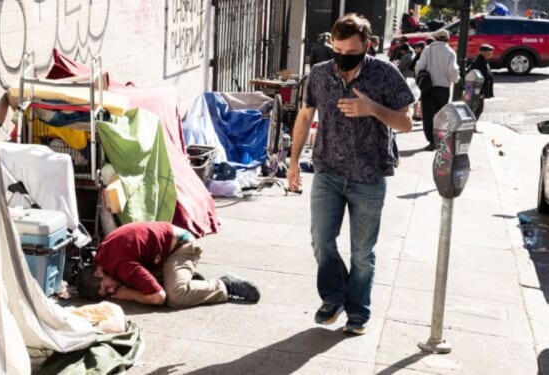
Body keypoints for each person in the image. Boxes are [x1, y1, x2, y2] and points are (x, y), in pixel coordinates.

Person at [286, 14, 414, 335]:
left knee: (362, 253)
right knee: (321, 241)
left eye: (351, 50)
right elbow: (304, 117)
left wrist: (374, 109)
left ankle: (358, 311)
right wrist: (292, 164)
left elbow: (407, 122)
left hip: (369, 176)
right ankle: (333, 297)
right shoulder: (318, 74)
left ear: (367, 46)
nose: (342, 56)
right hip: (327, 171)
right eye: (337, 49)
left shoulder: (385, 74)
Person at [75, 222, 260, 308]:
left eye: (107, 288)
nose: (112, 292)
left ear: (99, 272)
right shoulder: (103, 260)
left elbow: (158, 297)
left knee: (175, 296)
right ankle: (185, 280)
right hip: (160, 254)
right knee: (137, 286)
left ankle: (224, 285)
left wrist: (128, 295)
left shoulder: (120, 263)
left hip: (182, 247)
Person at [415, 29, 459, 151]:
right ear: (447, 39)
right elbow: (453, 70)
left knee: (428, 115)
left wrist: (421, 76)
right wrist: (454, 80)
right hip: (443, 87)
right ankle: (440, 140)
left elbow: (419, 66)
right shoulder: (450, 52)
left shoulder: (427, 50)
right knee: (442, 115)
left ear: (435, 38)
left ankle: (431, 141)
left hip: (428, 87)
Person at [467, 44, 495, 121]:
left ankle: (473, 125)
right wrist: (481, 92)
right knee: (477, 108)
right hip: (478, 91)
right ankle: (472, 125)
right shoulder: (479, 63)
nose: (491, 54)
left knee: (478, 108)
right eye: (489, 52)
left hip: (480, 91)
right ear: (483, 52)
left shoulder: (484, 61)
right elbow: (480, 79)